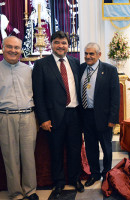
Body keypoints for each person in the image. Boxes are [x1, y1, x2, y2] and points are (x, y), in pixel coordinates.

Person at [32, 31, 84, 198]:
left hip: (75, 114)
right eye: (57, 42)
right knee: (56, 151)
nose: (61, 46)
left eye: (64, 43)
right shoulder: (41, 65)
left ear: (68, 45)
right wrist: (43, 118)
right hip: (54, 117)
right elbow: (38, 95)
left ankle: (75, 179)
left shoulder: (76, 63)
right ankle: (59, 182)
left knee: (75, 150)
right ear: (51, 44)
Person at [0, 36, 38, 200]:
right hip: (6, 117)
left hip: (28, 116)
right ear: (3, 47)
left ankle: (30, 190)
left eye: (16, 48)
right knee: (11, 157)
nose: (13, 51)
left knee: (29, 156)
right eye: (9, 47)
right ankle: (16, 193)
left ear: (21, 50)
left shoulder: (28, 70)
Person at [80, 42, 120, 187]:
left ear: (99, 55)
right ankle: (95, 174)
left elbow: (115, 97)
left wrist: (112, 119)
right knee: (91, 148)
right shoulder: (81, 68)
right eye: (86, 53)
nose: (88, 56)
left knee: (106, 148)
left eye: (91, 53)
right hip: (86, 116)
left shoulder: (109, 70)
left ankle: (107, 175)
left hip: (104, 118)